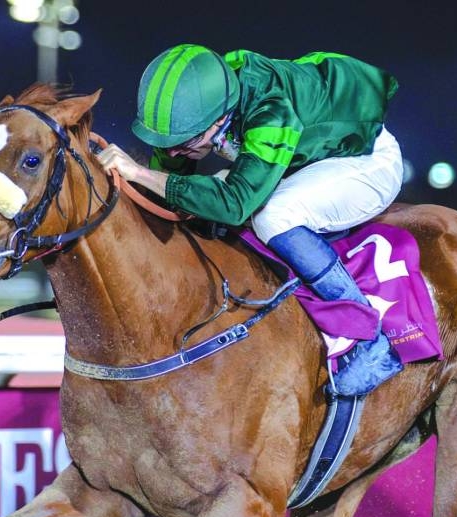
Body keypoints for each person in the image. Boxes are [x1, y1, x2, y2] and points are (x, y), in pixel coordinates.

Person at [99, 44, 404, 397]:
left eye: (185, 142)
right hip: (305, 158)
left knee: (272, 216)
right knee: (201, 192)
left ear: (220, 119)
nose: (172, 152)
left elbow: (236, 205)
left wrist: (138, 173)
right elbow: (165, 183)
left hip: (365, 161)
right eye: (166, 142)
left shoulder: (271, 112)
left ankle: (372, 338)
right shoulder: (206, 101)